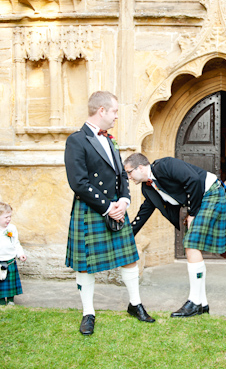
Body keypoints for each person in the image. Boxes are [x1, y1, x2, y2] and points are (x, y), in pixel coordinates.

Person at [64, 91, 154, 336]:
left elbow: (121, 175)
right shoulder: (77, 140)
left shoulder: (110, 139)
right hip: (94, 208)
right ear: (101, 110)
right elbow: (78, 182)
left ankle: (135, 304)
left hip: (116, 207)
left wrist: (124, 200)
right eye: (114, 111)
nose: (116, 116)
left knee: (129, 257)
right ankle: (88, 312)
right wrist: (107, 207)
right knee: (86, 265)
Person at [125, 153, 226, 317]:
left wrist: (192, 213)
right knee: (192, 245)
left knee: (191, 245)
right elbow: (145, 211)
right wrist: (127, 236)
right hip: (201, 200)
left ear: (140, 167)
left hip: (211, 193)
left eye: (129, 172)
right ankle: (202, 303)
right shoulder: (147, 187)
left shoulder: (164, 165)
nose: (129, 177)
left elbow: (193, 180)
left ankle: (194, 302)